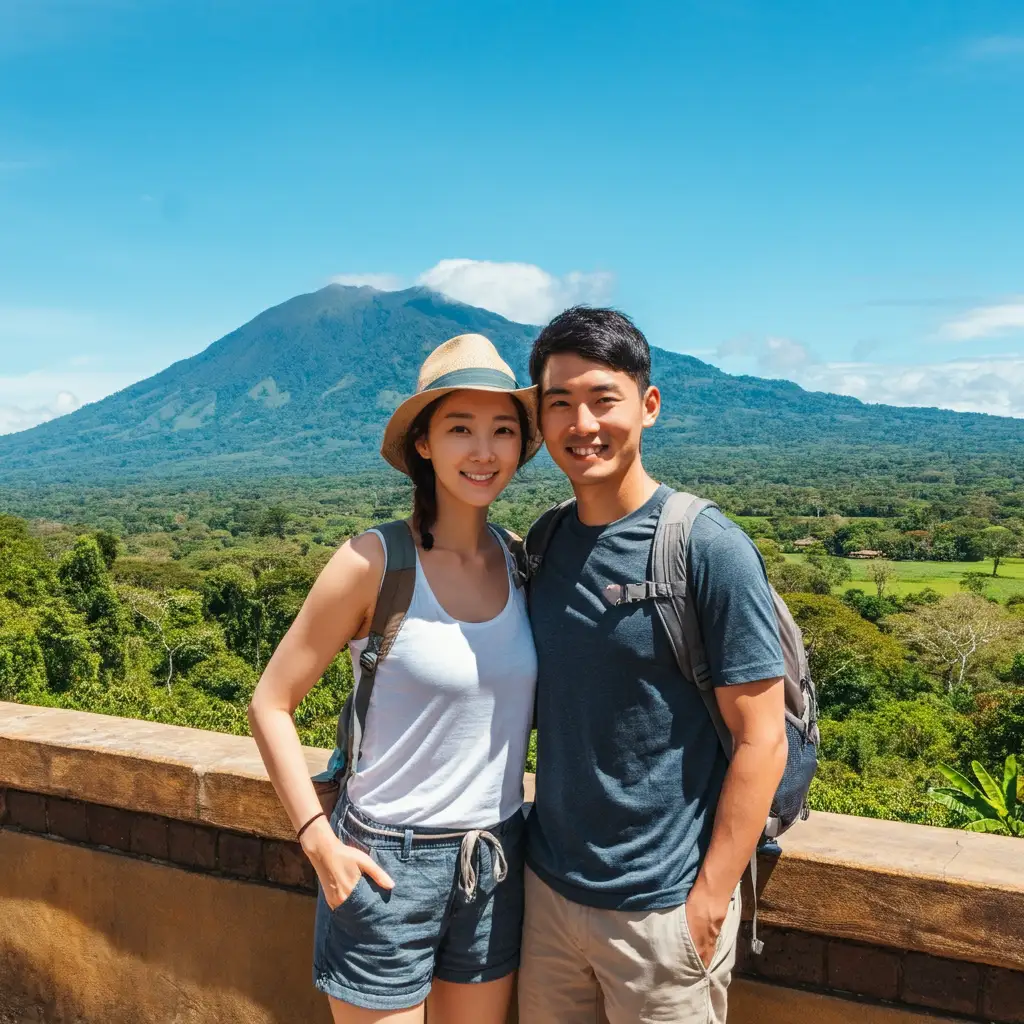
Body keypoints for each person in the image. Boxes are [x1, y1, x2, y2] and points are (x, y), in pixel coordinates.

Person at [248, 333, 541, 1024]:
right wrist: (318, 840)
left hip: (494, 860)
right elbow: (271, 702)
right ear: (424, 444)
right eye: (460, 428)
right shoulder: (372, 561)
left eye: (502, 430)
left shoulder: (523, 561)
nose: (483, 450)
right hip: (384, 863)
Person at [518, 307, 789, 1024]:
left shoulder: (705, 547)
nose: (583, 424)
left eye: (603, 399)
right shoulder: (543, 545)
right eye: (559, 404)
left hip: (662, 913)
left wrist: (704, 905)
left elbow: (764, 736)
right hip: (548, 899)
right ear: (540, 422)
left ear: (648, 404)